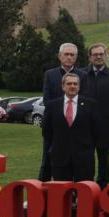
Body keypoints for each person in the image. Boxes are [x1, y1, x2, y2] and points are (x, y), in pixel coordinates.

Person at [39, 43, 87, 181]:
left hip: (75, 127)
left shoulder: (82, 76)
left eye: (72, 55)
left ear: (76, 57)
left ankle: (74, 193)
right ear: (60, 56)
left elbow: (84, 100)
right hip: (54, 126)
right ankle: (43, 190)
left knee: (75, 160)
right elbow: (47, 100)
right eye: (66, 54)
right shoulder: (50, 74)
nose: (69, 57)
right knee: (48, 158)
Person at [42, 72, 98, 182]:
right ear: (63, 86)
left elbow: (96, 130)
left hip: (84, 158)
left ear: (79, 86)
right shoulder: (52, 106)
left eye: (75, 84)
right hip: (60, 157)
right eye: (69, 84)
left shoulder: (91, 105)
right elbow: (46, 131)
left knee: (84, 194)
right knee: (62, 194)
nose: (72, 86)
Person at [81, 43, 109, 188]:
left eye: (101, 54)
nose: (98, 57)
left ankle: (103, 187)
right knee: (86, 158)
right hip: (85, 124)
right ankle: (86, 186)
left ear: (105, 55)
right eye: (95, 54)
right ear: (89, 57)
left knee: (104, 158)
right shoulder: (82, 75)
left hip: (105, 123)